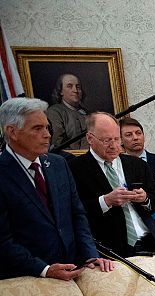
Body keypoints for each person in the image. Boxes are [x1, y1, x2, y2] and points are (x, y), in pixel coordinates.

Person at [0, 97, 113, 280]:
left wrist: (90, 255)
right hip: (28, 279)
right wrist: (44, 269)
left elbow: (77, 215)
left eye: (47, 127)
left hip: (73, 270)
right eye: (37, 128)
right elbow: (3, 241)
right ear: (12, 132)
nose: (47, 134)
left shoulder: (58, 163)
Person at [69, 112, 155, 258]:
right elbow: (74, 211)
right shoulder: (74, 169)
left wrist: (145, 198)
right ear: (90, 138)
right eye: (107, 140)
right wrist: (106, 201)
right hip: (109, 249)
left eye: (117, 139)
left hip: (150, 241)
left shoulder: (137, 165)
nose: (114, 146)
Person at [119, 117, 155, 240]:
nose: (135, 137)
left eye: (138, 133)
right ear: (120, 140)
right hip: (136, 233)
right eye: (129, 135)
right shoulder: (117, 167)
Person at [45, 73, 89, 151]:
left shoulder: (88, 113)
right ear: (61, 91)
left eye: (78, 87)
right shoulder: (55, 112)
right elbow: (57, 143)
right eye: (69, 86)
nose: (75, 91)